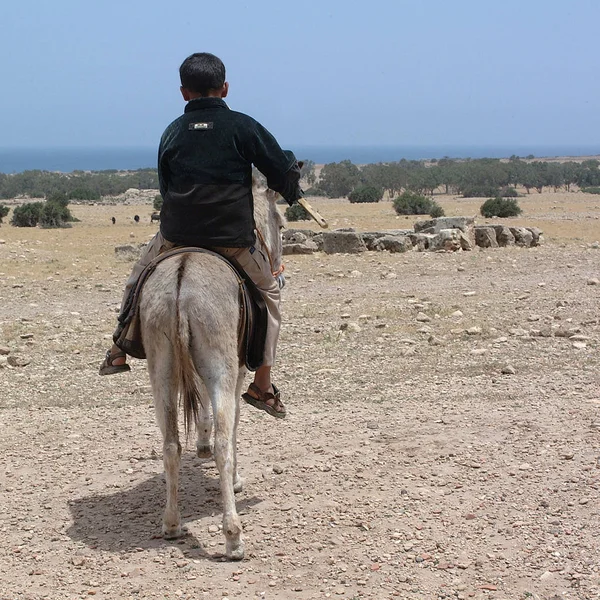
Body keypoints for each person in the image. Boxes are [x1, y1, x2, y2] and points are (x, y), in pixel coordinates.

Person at [99, 52, 302, 419]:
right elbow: (280, 167)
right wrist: (290, 184)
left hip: (176, 235)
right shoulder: (244, 127)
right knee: (271, 293)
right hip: (233, 240)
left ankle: (118, 345)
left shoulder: (172, 132)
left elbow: (166, 188)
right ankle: (263, 383)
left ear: (183, 93)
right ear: (224, 88)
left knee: (138, 278)